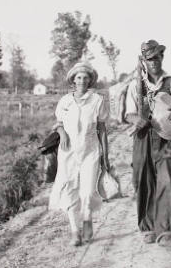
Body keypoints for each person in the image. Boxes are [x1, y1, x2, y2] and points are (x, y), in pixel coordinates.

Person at [125, 40, 171, 248]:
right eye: (149, 59)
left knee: (165, 181)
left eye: (157, 57)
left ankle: (165, 233)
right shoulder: (135, 85)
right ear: (144, 62)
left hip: (166, 140)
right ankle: (147, 227)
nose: (154, 62)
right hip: (142, 139)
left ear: (162, 57)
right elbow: (128, 114)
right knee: (143, 182)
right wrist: (135, 119)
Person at [49, 61, 110, 246]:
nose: (82, 81)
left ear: (90, 80)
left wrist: (105, 156)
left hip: (90, 151)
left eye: (85, 78)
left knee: (88, 191)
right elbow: (58, 123)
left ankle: (87, 218)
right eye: (78, 78)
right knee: (69, 190)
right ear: (73, 81)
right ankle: (75, 232)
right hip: (67, 153)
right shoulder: (65, 101)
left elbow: (102, 129)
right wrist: (62, 133)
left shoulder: (97, 101)